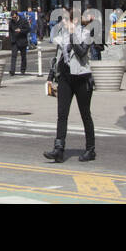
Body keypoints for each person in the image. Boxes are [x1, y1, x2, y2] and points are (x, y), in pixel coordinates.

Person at [44, 11, 97, 163]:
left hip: (82, 78)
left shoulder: (87, 33)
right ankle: (59, 149)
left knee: (85, 114)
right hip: (65, 78)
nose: (64, 22)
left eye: (68, 20)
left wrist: (73, 34)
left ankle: (90, 149)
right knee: (62, 114)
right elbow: (58, 56)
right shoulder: (62, 35)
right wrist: (50, 77)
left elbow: (81, 52)